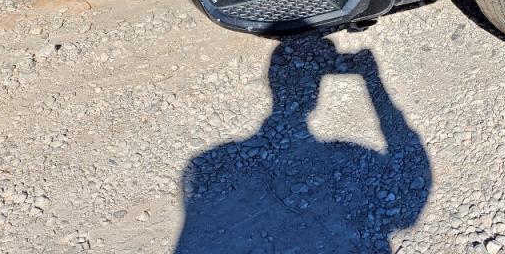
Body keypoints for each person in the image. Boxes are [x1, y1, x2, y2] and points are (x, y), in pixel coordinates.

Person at [175, 37, 430, 254]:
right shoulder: (351, 158)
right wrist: (372, 82)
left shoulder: (210, 164)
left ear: (273, 85)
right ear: (316, 94)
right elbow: (411, 178)